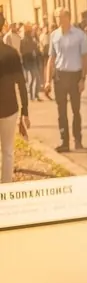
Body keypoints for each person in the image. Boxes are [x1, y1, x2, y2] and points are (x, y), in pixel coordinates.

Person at [44, 8, 87, 153]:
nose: (59, 20)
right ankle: (64, 141)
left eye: (61, 17)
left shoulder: (79, 35)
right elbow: (51, 59)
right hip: (60, 76)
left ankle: (78, 139)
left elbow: (84, 58)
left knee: (76, 110)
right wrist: (47, 81)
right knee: (61, 111)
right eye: (57, 17)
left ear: (68, 18)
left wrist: (83, 79)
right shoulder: (54, 35)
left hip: (75, 76)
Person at [0, 20, 27, 182]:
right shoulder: (11, 53)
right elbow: (22, 83)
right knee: (8, 151)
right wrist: (25, 110)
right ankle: (6, 186)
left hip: (8, 108)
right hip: (10, 108)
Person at [19, 21, 40, 103]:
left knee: (34, 78)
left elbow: (22, 51)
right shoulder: (28, 40)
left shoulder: (26, 40)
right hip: (30, 61)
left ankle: (33, 95)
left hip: (29, 61)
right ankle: (33, 95)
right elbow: (31, 50)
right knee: (34, 78)